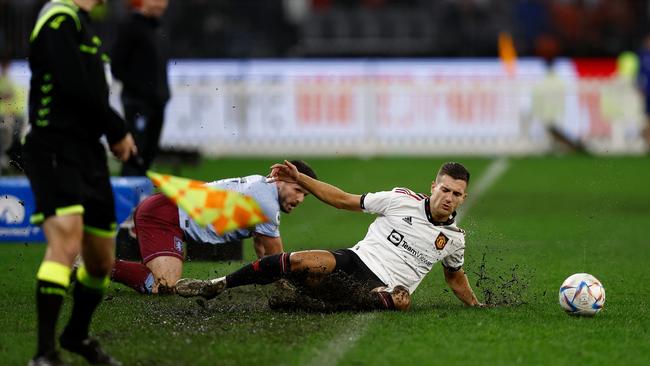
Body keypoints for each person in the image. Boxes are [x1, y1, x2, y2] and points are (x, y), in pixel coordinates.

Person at [176, 161, 486, 312]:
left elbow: (455, 277)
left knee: (401, 300)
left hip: (385, 287)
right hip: (356, 260)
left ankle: (310, 303)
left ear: (463, 198)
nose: (448, 197)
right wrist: (301, 179)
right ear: (433, 186)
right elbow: (342, 199)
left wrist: (476, 306)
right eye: (444, 189)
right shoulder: (399, 199)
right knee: (300, 261)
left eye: (456, 194)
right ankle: (218, 285)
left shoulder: (455, 239)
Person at [23, 0, 137, 365]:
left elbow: (92, 91)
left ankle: (76, 335)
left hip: (88, 154)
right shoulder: (57, 18)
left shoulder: (84, 27)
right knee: (66, 241)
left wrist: (110, 132)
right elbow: (73, 84)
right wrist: (117, 129)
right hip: (54, 147)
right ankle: (44, 353)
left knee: (101, 262)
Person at [110, 160, 318, 295]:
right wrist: (297, 288)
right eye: (298, 190)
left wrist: (275, 279)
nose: (300, 199)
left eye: (305, 195)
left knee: (163, 283)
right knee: (164, 286)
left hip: (168, 213)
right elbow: (278, 259)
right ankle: (95, 265)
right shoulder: (266, 203)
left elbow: (263, 249)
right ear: (280, 180)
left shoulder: (263, 188)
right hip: (162, 216)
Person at [111, 0, 170, 176]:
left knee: (148, 155)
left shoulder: (157, 28)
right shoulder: (130, 27)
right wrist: (142, 89)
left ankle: (141, 198)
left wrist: (163, 94)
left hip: (157, 103)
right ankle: (130, 199)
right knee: (134, 154)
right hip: (138, 103)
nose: (162, 4)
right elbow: (117, 66)